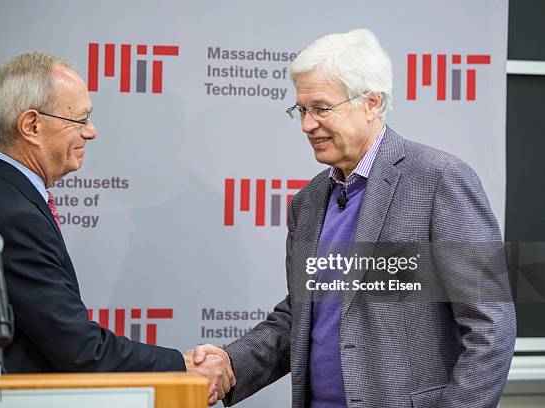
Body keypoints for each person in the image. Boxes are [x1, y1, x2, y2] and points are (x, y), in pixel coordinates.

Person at [188, 29, 516, 407]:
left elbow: (491, 327)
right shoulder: (308, 201)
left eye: (321, 108)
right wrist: (229, 364)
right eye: (302, 110)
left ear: (371, 103)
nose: (307, 125)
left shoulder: (440, 180)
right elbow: (302, 316)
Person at [0, 52, 233, 404]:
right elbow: (80, 350)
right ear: (31, 126)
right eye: (81, 119)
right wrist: (183, 365)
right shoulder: (13, 217)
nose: (91, 132)